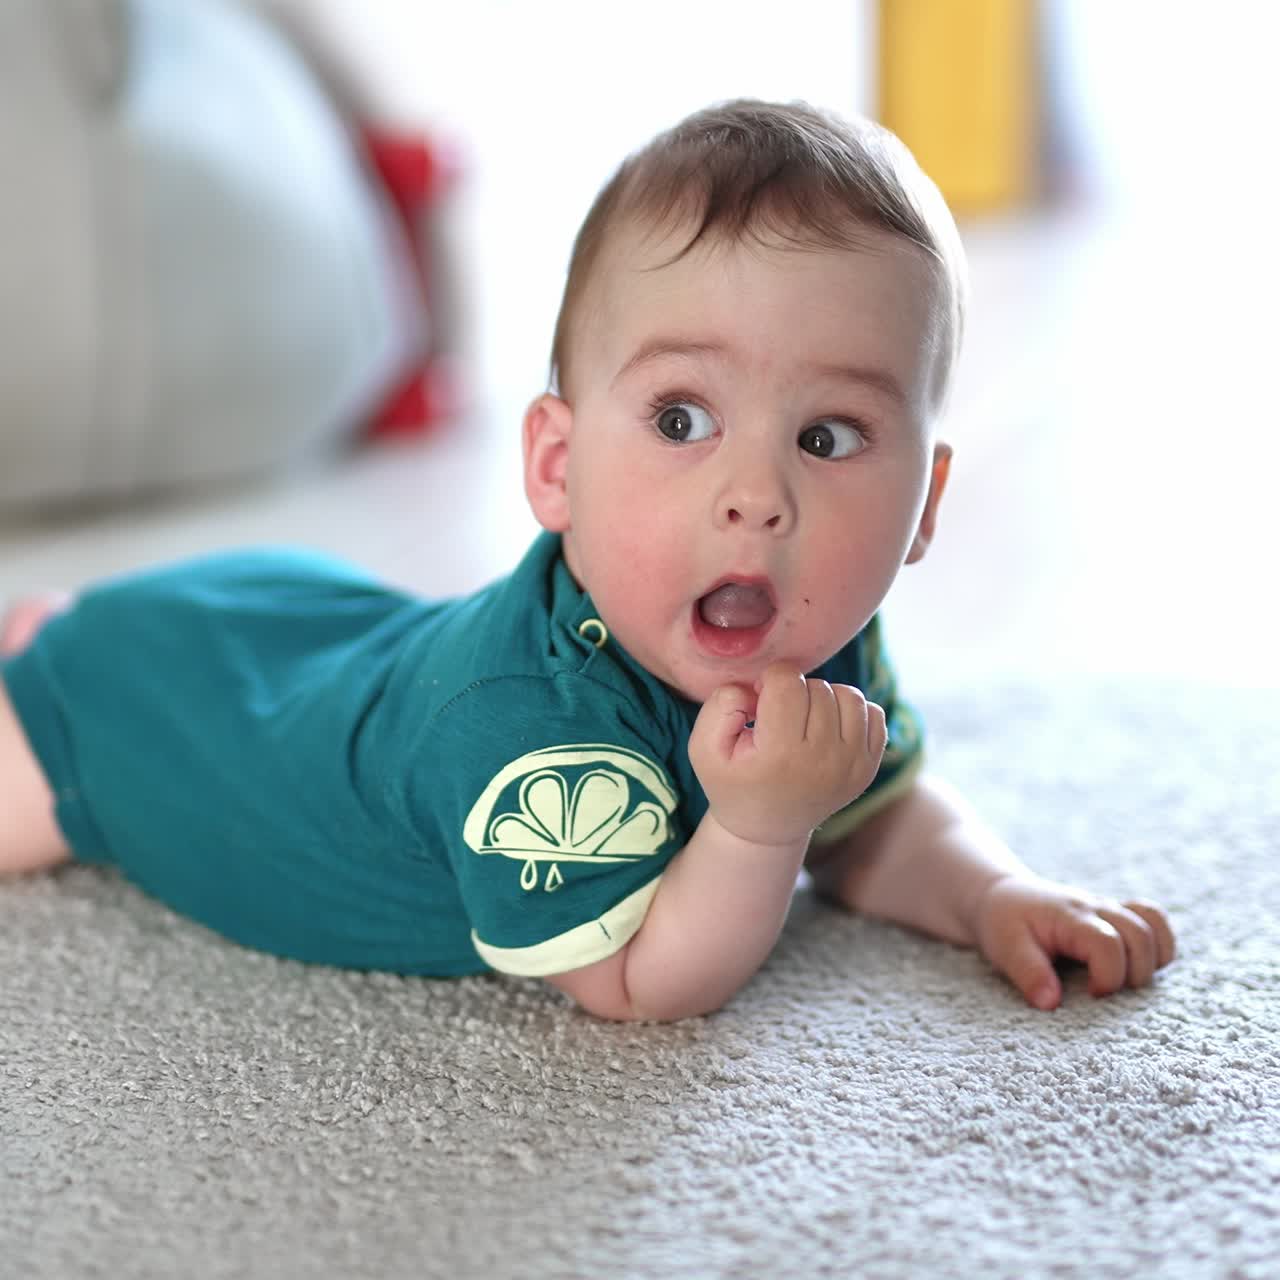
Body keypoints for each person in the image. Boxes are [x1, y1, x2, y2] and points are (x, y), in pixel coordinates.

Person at [0, 100, 1174, 1021]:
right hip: (156, 723)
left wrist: (988, 892)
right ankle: (49, 649)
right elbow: (636, 984)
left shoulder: (824, 638)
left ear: (924, 504)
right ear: (556, 466)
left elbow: (866, 812)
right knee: (58, 744)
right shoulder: (531, 725)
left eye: (825, 438)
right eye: (678, 419)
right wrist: (758, 828)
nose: (755, 498)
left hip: (323, 653)